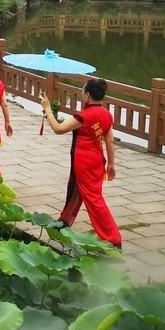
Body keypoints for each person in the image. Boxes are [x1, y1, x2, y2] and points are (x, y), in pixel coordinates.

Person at [40, 80, 122, 248]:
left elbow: (58, 129)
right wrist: (111, 163)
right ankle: (65, 221)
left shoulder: (84, 116)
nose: (82, 92)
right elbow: (109, 140)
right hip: (97, 160)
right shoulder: (106, 114)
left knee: (93, 199)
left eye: (83, 90)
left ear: (88, 95)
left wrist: (48, 109)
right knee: (77, 190)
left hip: (84, 161)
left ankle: (113, 238)